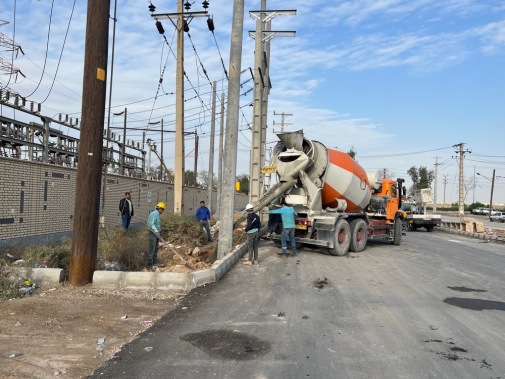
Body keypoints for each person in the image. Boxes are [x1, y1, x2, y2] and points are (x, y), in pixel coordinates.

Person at [146, 202, 165, 269]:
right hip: (152, 233)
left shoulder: (157, 214)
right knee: (152, 249)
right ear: (160, 208)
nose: (163, 211)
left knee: (155, 249)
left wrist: (158, 233)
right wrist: (156, 232)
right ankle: (150, 265)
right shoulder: (154, 214)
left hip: (156, 233)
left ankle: (155, 263)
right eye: (163, 210)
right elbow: (151, 224)